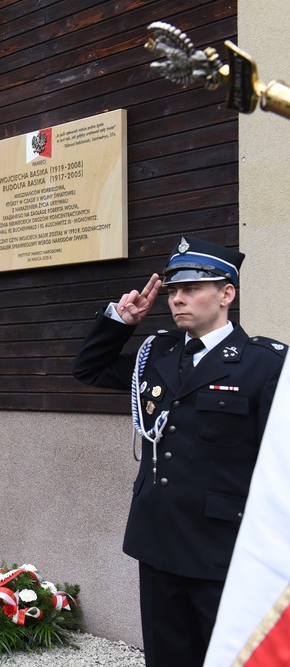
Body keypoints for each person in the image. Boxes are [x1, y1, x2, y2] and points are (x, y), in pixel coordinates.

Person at [73, 236, 286, 667]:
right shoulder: (158, 353)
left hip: (223, 548)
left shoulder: (266, 363)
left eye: (192, 288)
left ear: (226, 294)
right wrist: (120, 322)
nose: (178, 299)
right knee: (166, 656)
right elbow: (89, 369)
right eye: (173, 291)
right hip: (158, 540)